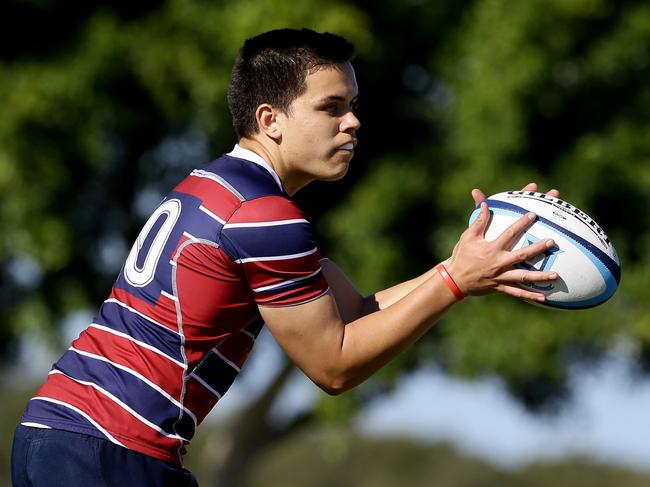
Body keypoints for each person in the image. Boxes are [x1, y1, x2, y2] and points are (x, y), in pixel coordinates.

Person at [11, 28, 559, 486]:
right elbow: (334, 366)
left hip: (62, 435)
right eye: (331, 107)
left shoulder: (221, 188)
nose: (352, 122)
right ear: (270, 119)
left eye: (353, 107)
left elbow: (356, 315)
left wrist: (468, 263)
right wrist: (455, 281)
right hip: (109, 450)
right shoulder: (266, 217)